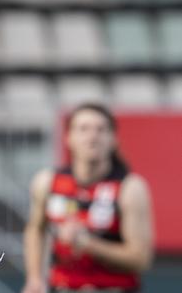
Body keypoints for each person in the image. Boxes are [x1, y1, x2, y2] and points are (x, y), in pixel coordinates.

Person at [22, 103, 153, 293]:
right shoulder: (47, 182)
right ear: (69, 138)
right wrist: (34, 278)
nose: (92, 137)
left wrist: (89, 244)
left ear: (113, 139)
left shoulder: (129, 188)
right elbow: (35, 229)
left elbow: (141, 259)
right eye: (83, 129)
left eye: (101, 129)